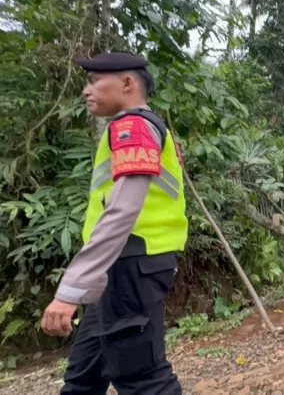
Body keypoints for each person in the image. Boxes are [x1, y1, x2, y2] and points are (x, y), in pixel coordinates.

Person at [40, 52, 186, 394]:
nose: (86, 90)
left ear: (127, 83)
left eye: (94, 81)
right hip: (117, 269)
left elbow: (122, 210)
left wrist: (72, 288)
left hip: (130, 264)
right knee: (83, 378)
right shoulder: (141, 126)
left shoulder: (134, 127)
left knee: (143, 380)